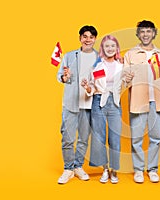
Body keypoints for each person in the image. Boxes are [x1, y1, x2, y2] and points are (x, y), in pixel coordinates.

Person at [123, 20, 160, 183]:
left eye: (149, 31)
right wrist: (126, 78)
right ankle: (138, 170)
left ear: (154, 33)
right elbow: (123, 79)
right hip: (138, 101)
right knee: (136, 138)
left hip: (158, 101)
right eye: (142, 31)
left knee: (156, 138)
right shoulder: (130, 54)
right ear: (138, 34)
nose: (145, 34)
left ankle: (153, 169)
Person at [56, 25, 98, 184]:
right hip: (70, 104)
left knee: (83, 139)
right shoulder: (69, 56)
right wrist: (65, 78)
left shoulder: (99, 58)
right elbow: (61, 76)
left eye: (91, 37)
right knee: (67, 138)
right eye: (85, 36)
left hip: (89, 105)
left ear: (94, 39)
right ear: (80, 38)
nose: (88, 39)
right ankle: (68, 169)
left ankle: (78, 166)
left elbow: (101, 80)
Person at [81, 35, 123, 184]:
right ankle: (105, 169)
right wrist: (87, 87)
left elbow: (126, 83)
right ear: (103, 49)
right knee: (99, 138)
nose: (110, 49)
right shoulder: (97, 66)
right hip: (98, 101)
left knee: (115, 139)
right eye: (107, 46)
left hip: (115, 103)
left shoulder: (122, 66)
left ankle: (114, 170)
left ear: (116, 48)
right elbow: (92, 86)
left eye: (113, 46)